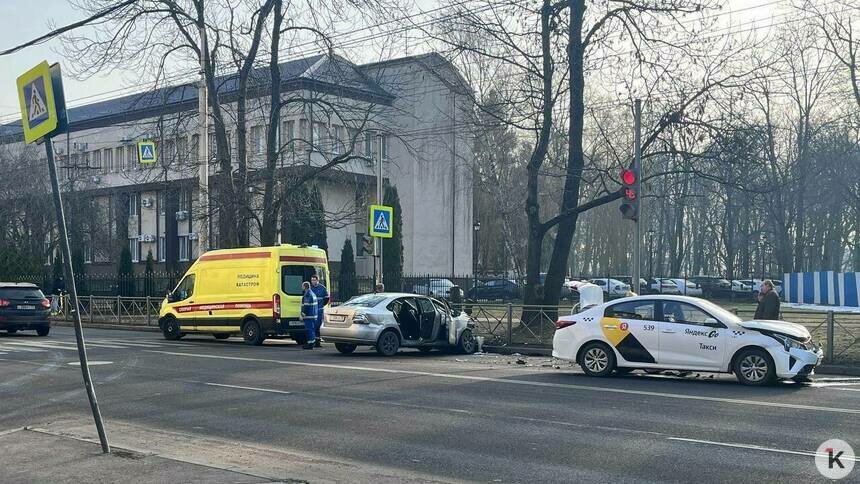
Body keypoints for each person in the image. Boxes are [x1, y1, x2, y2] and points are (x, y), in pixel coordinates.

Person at [310, 274, 329, 348]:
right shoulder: (310, 288)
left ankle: (317, 341)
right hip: (312, 310)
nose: (313, 282)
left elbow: (326, 298)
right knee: (313, 326)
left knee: (317, 325)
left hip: (319, 310)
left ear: (317, 280)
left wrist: (321, 306)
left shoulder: (322, 288)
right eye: (312, 280)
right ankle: (313, 341)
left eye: (314, 280)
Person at [300, 281, 318, 349]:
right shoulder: (312, 294)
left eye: (302, 286)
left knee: (309, 330)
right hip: (313, 315)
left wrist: (302, 315)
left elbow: (306, 306)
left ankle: (310, 344)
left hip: (309, 316)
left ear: (304, 287)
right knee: (312, 330)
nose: (302, 288)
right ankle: (312, 343)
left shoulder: (307, 295)